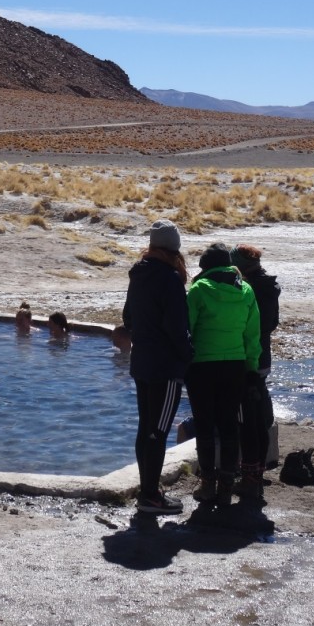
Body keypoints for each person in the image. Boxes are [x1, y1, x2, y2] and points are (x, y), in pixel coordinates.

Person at [122, 220, 193, 514]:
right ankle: (151, 496)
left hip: (141, 361)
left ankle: (147, 491)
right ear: (174, 249)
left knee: (146, 428)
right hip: (165, 367)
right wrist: (188, 356)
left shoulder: (138, 276)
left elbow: (128, 318)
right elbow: (177, 328)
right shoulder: (169, 279)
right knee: (158, 431)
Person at [185, 242, 262, 506]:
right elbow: (252, 335)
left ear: (204, 267)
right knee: (229, 425)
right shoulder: (246, 290)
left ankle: (207, 485)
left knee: (205, 426)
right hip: (236, 366)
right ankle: (227, 485)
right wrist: (251, 368)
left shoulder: (197, 291)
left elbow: (188, 331)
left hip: (202, 366)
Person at [230, 244, 282, 476]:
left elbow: (251, 324)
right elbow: (271, 324)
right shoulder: (269, 285)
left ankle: (250, 466)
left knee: (247, 410)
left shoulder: (248, 288)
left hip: (248, 355)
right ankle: (262, 461)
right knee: (260, 401)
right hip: (263, 354)